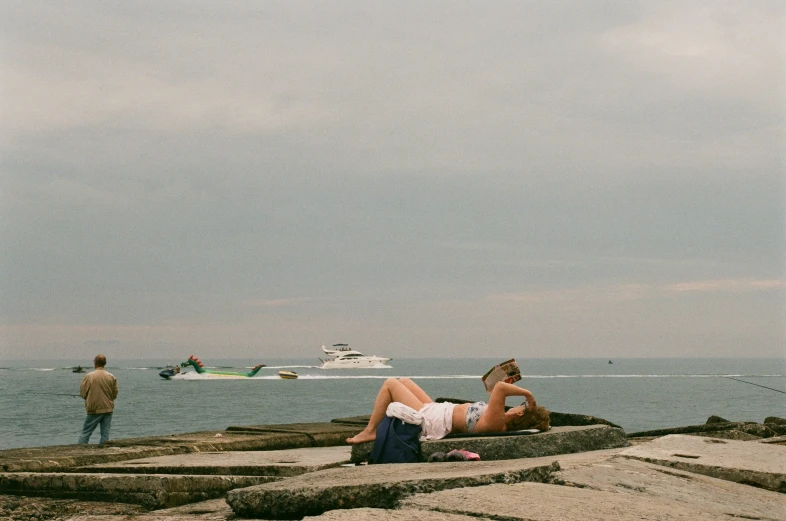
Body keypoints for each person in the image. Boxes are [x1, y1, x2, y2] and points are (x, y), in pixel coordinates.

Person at [346, 377, 550, 444]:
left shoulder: (499, 422)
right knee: (404, 381)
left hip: (433, 420)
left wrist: (529, 396)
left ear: (521, 413)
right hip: (440, 412)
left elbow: (500, 388)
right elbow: (498, 388)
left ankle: (370, 431)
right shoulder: (498, 419)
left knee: (390, 383)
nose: (517, 406)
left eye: (521, 406)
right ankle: (371, 429)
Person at [78, 354, 119, 445]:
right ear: (105, 363)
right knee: (105, 434)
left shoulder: (89, 376)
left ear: (95, 363)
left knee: (86, 433)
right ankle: (103, 450)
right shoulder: (111, 376)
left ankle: (80, 449)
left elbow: (82, 393)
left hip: (94, 409)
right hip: (108, 408)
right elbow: (115, 393)